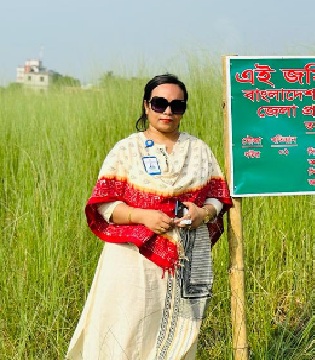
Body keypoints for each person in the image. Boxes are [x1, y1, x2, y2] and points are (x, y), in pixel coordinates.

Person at [67, 74, 232, 359]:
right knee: (125, 332)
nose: (167, 111)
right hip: (132, 262)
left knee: (177, 337)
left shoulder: (199, 151)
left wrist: (202, 213)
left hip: (185, 260)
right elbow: (105, 207)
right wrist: (143, 216)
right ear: (146, 106)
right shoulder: (126, 150)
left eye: (176, 106)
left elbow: (219, 197)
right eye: (160, 103)